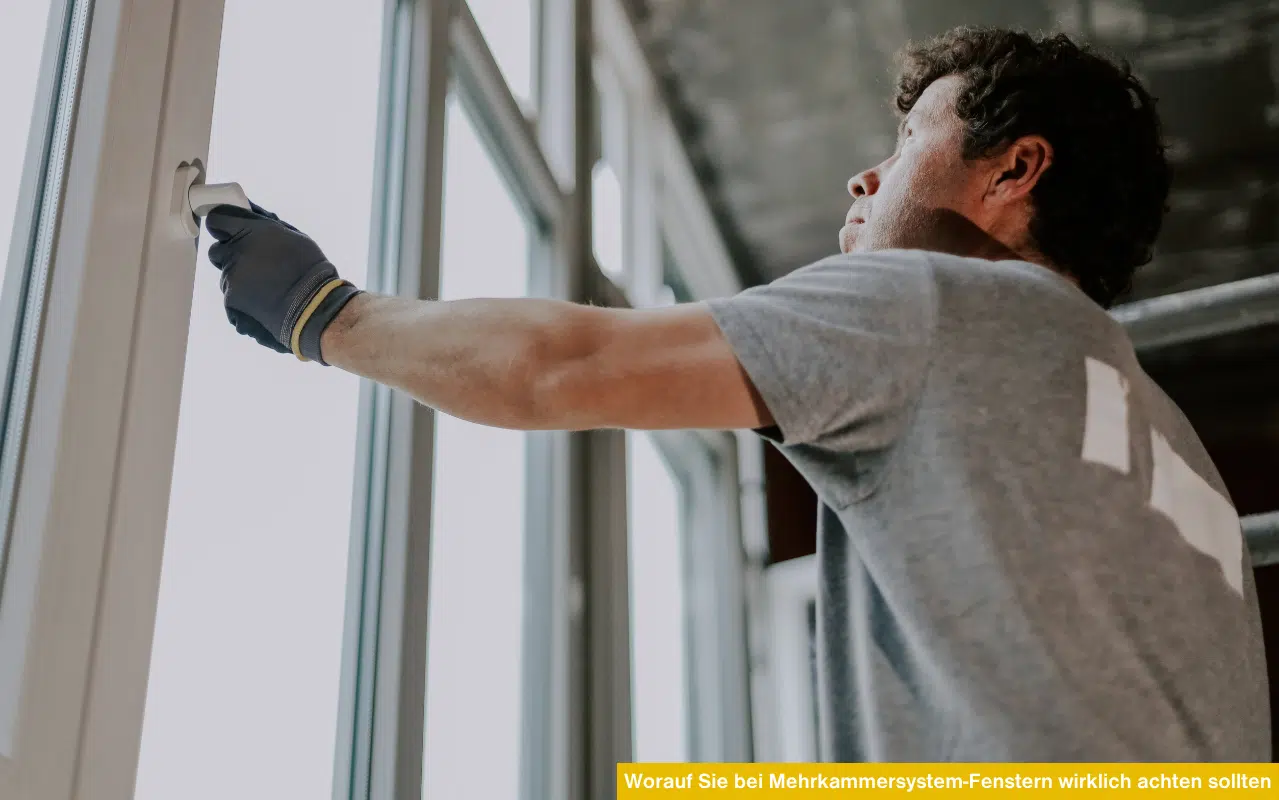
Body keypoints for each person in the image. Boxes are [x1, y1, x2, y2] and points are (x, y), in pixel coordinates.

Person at [203, 27, 1270, 761]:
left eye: (908, 144)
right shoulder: (1167, 434)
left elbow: (554, 366)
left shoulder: (941, 302)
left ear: (1011, 171)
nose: (864, 178)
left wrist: (322, 311)